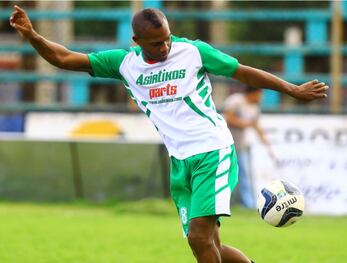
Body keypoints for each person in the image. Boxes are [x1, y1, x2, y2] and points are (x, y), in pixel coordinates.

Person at [10, 5, 328, 263]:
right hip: (180, 163)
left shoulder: (192, 52)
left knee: (198, 237)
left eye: (166, 39)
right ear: (136, 41)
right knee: (207, 246)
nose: (164, 47)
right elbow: (64, 58)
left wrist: (291, 88)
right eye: (155, 43)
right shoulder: (124, 64)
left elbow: (242, 70)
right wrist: (33, 35)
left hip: (212, 151)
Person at [224, 86, 275, 209]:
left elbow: (256, 126)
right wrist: (246, 123)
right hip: (226, 144)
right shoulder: (235, 101)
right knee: (226, 175)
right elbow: (229, 118)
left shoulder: (254, 108)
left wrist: (267, 144)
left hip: (240, 145)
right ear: (253, 93)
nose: (261, 97)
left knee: (244, 174)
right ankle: (226, 203)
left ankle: (248, 203)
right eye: (259, 94)